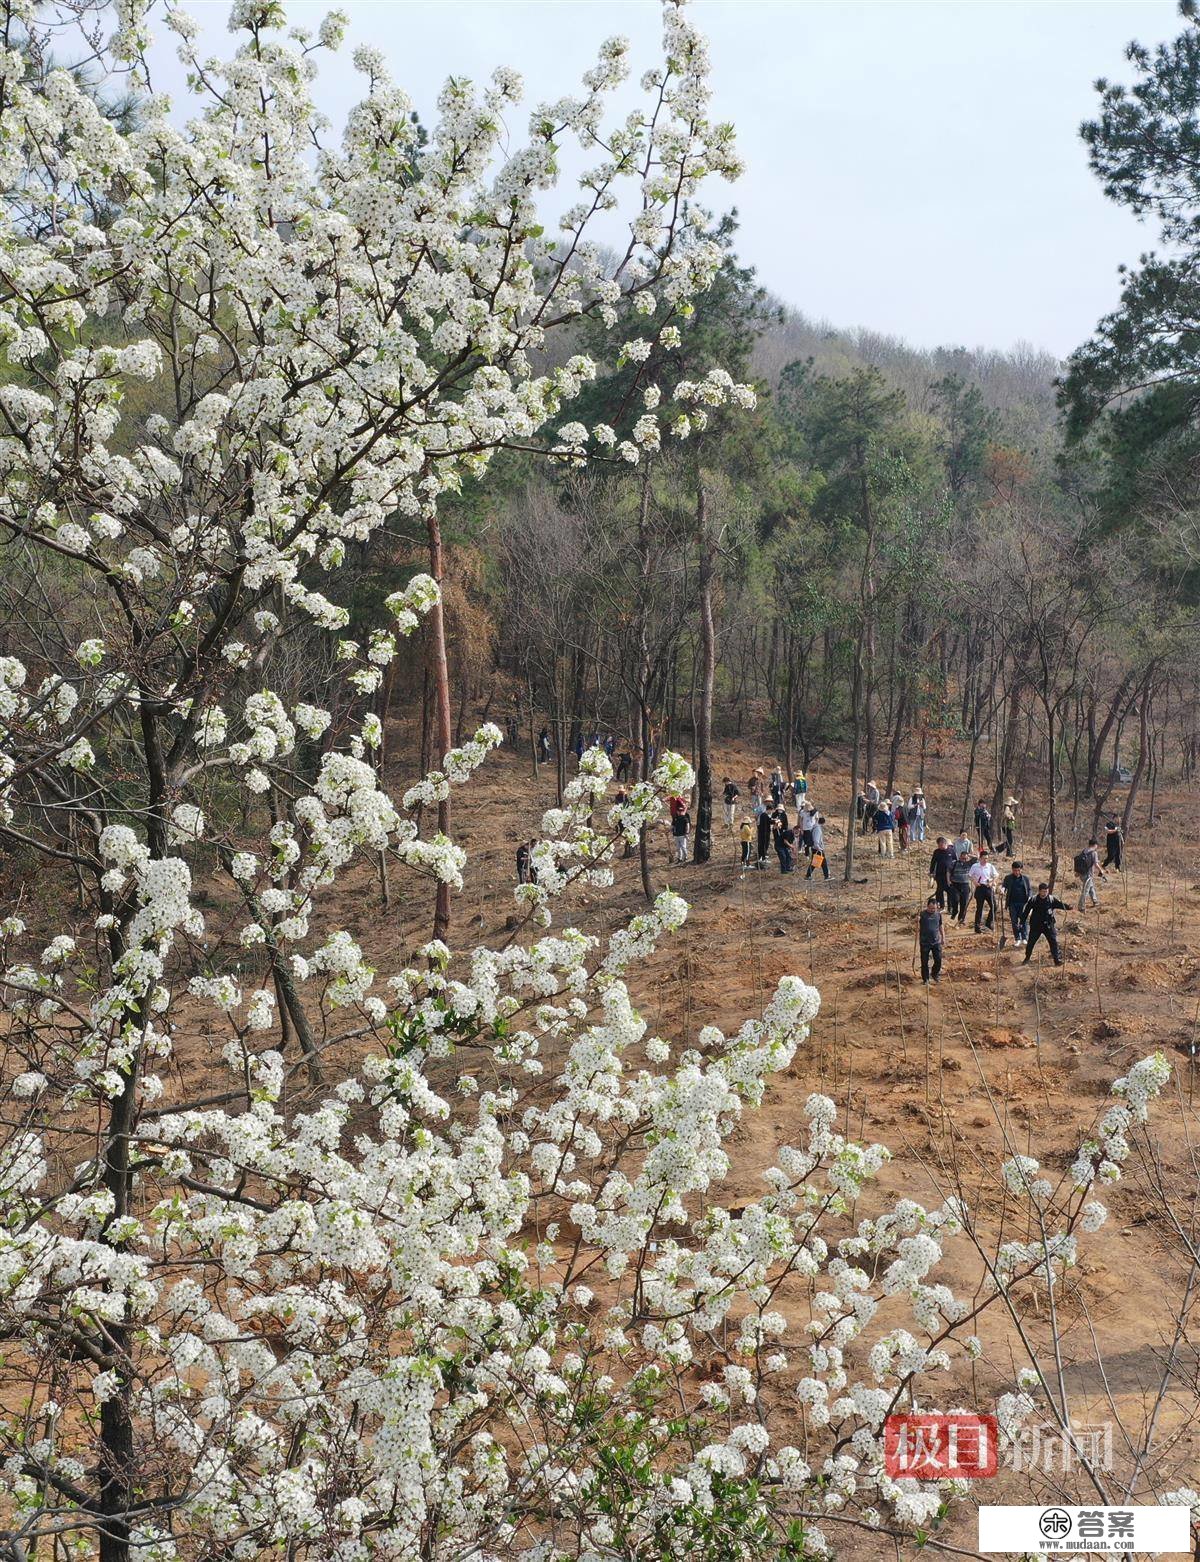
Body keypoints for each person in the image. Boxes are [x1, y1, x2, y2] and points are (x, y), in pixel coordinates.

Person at [1024, 884, 1066, 966]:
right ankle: (1027, 958)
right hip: (1036, 926)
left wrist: (1068, 907)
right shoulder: (1033, 900)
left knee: (1053, 942)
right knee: (1031, 943)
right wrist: (1022, 922)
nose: (1045, 893)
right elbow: (1026, 911)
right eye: (1043, 891)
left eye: (1046, 891)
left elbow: (1059, 905)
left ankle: (1056, 960)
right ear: (1039, 891)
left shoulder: (1051, 899)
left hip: (1048, 926)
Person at [1000, 860, 1032, 948]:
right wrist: (1002, 890)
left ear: (1021, 869)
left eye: (1018, 870)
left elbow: (1029, 890)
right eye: (1014, 870)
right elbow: (1004, 886)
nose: (1016, 872)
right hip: (1012, 903)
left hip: (1023, 903)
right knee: (1014, 922)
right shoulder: (1008, 878)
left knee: (1023, 921)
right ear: (1012, 870)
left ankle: (1024, 937)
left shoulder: (1025, 879)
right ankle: (1017, 938)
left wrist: (1029, 897)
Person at [969, 848, 999, 932]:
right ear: (980, 858)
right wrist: (974, 881)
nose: (985, 860)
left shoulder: (990, 866)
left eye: (987, 858)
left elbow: (996, 875)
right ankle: (977, 927)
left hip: (988, 887)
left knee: (994, 906)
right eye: (984, 858)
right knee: (979, 908)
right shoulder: (975, 866)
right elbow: (970, 875)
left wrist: (993, 882)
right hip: (980, 887)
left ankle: (988, 923)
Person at [1075, 838, 1106, 911]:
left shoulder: (1084, 851)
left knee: (1091, 887)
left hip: (1081, 874)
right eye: (1097, 845)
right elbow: (1096, 864)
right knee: (1085, 891)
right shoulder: (1093, 853)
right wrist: (1101, 870)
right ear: (1095, 845)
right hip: (1088, 875)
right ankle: (1081, 907)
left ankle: (1095, 901)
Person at [948, 842, 975, 925]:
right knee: (955, 900)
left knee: (964, 904)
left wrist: (969, 855)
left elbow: (976, 858)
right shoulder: (954, 863)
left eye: (965, 858)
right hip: (955, 885)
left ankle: (961, 919)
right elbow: (948, 872)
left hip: (965, 885)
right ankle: (954, 911)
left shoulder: (969, 864)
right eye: (962, 858)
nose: (964, 859)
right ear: (960, 857)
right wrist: (948, 880)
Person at [919, 896, 944, 984]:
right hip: (925, 942)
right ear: (927, 906)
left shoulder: (938, 914)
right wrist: (916, 920)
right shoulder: (922, 914)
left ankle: (934, 974)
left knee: (938, 959)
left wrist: (943, 937)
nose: (932, 910)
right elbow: (914, 922)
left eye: (934, 908)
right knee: (924, 962)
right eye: (930, 908)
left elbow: (941, 926)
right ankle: (925, 979)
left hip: (936, 941)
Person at [929, 836, 955, 909]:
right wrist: (931, 872)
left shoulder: (951, 851)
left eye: (941, 845)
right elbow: (933, 863)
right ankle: (941, 906)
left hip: (949, 875)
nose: (940, 846)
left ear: (945, 843)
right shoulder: (936, 852)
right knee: (939, 891)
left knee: (950, 891)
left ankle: (950, 907)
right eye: (938, 845)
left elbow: (955, 860)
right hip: (939, 874)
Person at [755, 794, 772, 869]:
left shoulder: (768, 808)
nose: (769, 802)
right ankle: (762, 856)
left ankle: (764, 854)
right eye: (769, 801)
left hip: (766, 826)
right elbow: (756, 814)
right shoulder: (761, 808)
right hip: (762, 826)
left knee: (765, 842)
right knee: (763, 842)